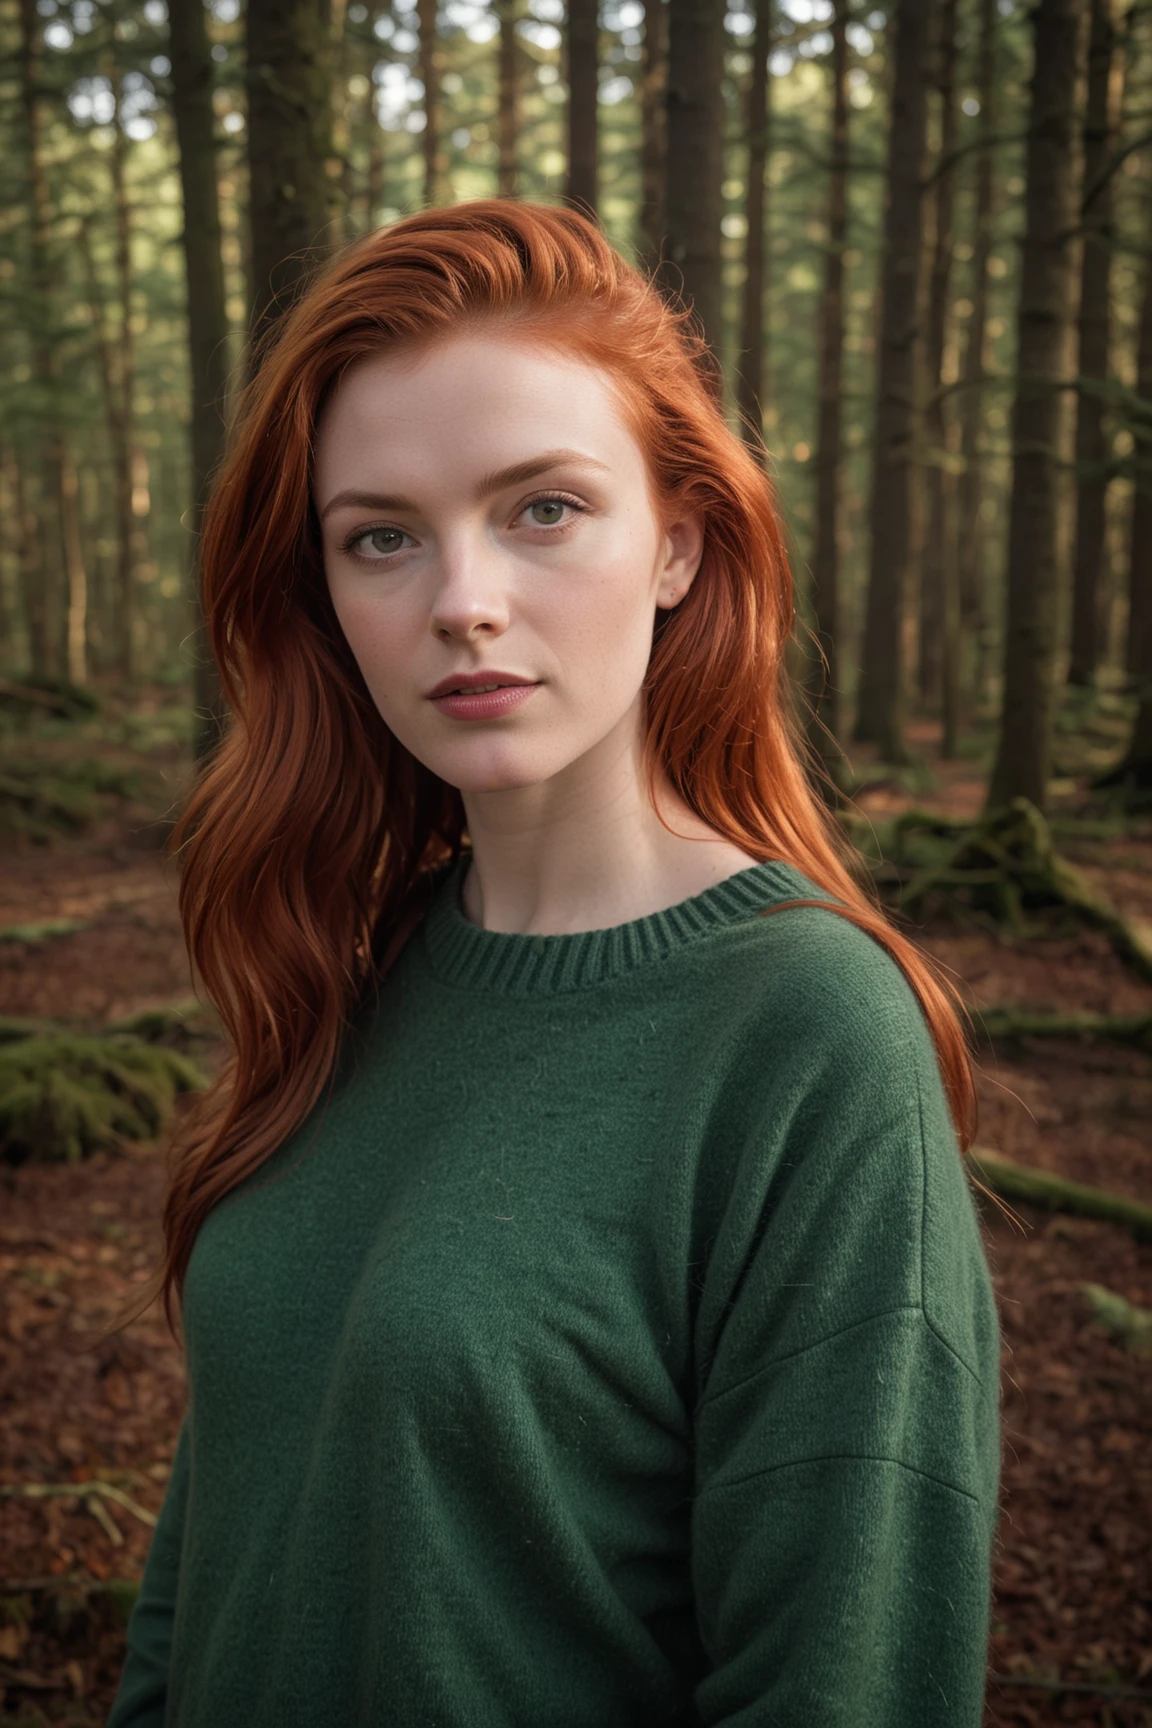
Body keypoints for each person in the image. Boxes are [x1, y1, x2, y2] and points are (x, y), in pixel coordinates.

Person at [107, 199, 1001, 1728]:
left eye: (542, 509)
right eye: (380, 536)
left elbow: (842, 1683)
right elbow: (228, 1533)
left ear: (679, 544)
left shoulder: (809, 1036)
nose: (461, 599)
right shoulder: (352, 969)